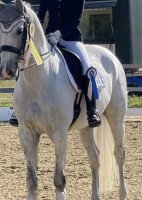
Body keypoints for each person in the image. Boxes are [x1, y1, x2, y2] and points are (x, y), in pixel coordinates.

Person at [37, 0, 101, 128]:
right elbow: (40, 18)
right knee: (29, 60)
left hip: (71, 39)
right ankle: (18, 110)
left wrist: (59, 33)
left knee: (87, 68)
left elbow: (75, 21)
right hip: (49, 39)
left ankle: (91, 109)